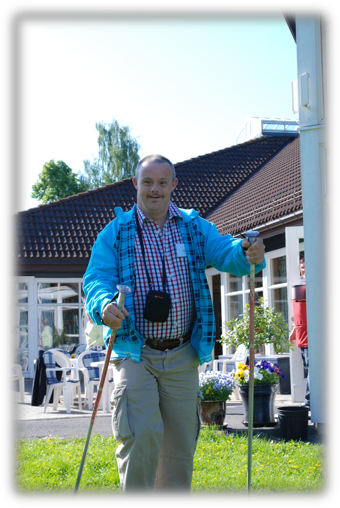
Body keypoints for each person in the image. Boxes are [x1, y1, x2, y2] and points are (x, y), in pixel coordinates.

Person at [83, 154, 266, 500]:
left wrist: (246, 250)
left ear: (173, 186)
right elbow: (96, 279)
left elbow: (225, 250)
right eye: (148, 182)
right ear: (135, 184)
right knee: (142, 433)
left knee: (179, 443)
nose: (155, 189)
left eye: (162, 182)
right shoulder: (116, 233)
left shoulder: (194, 226)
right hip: (136, 351)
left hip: (182, 353)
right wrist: (103, 304)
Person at [289, 257, 310, 409]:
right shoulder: (300, 288)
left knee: (312, 369)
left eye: (305, 267)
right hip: (302, 336)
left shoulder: (315, 287)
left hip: (311, 336)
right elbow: (300, 314)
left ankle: (309, 402)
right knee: (309, 368)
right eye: (301, 267)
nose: (303, 270)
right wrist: (294, 331)